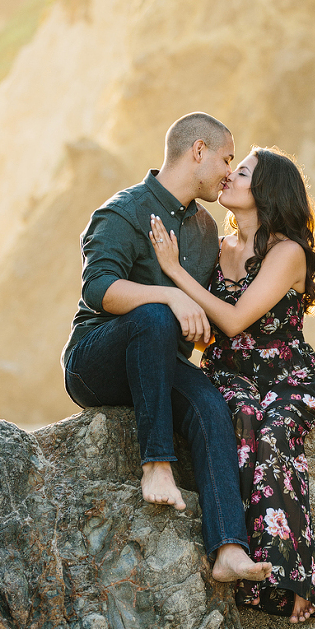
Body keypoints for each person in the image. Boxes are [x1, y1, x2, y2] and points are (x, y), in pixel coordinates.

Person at [62, 112, 272, 586]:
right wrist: (171, 296)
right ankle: (156, 466)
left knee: (209, 404)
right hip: (96, 360)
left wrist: (198, 326)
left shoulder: (201, 229)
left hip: (162, 363)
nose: (227, 170)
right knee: (155, 316)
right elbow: (99, 289)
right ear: (198, 151)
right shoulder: (123, 211)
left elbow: (207, 311)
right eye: (225, 158)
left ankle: (229, 550)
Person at [149, 146, 315, 624]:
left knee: (273, 439)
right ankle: (245, 563)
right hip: (229, 373)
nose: (228, 176)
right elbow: (212, 328)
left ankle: (297, 577)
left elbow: (231, 319)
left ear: (267, 190)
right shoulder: (218, 245)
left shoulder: (287, 252)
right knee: (242, 423)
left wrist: (174, 273)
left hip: (284, 375)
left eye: (242, 171)